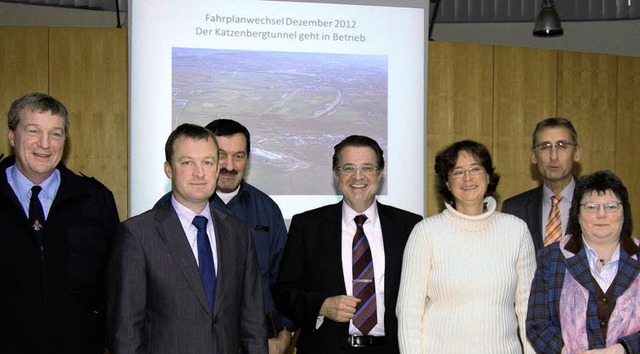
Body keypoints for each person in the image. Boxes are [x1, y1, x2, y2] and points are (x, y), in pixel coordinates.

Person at [107, 123, 267, 353]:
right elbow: (126, 333)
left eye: (208, 162)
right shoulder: (138, 235)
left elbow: (253, 323)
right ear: (169, 169)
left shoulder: (239, 233)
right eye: (187, 162)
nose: (199, 173)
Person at [155, 118, 295, 354]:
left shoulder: (267, 209)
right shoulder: (165, 213)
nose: (229, 166)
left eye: (239, 156)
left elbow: (283, 277)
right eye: (221, 156)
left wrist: (284, 334)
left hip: (259, 340)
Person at [274, 135, 422, 354]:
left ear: (380, 174)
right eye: (348, 168)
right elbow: (284, 291)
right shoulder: (307, 225)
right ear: (336, 174)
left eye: (367, 168)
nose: (358, 177)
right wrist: (322, 305)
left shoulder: (410, 226)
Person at [0, 92, 120, 353]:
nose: (45, 144)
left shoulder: (95, 200)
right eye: (33, 131)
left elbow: (113, 285)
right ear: (12, 136)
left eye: (55, 134)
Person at [396, 140, 536, 353]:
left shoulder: (516, 231)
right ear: (446, 182)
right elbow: (408, 311)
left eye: (475, 169)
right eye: (457, 171)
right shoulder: (425, 233)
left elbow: (528, 307)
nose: (467, 178)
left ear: (489, 176)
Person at [527, 170, 640, 353]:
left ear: (624, 212)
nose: (601, 214)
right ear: (577, 215)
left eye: (611, 206)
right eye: (591, 207)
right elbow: (537, 325)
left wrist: (622, 349)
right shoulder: (552, 257)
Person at [503, 117, 582, 253]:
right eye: (545, 147)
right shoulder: (514, 209)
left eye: (562, 146)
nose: (553, 156)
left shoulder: (599, 206)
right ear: (534, 156)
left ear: (577, 153)